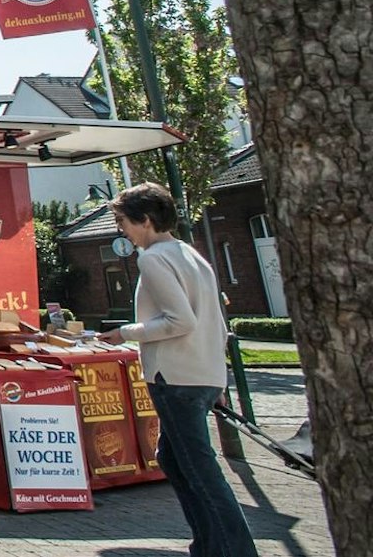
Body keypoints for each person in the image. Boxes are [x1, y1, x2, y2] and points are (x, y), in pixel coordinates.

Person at [99, 182, 259, 557]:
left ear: (146, 219)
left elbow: (179, 321)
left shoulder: (153, 258)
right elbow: (214, 321)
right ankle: (207, 543)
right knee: (173, 458)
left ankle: (233, 549)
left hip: (174, 375)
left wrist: (124, 333)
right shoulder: (190, 254)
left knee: (199, 468)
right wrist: (217, 377)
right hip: (201, 373)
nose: (121, 229)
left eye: (123, 221)